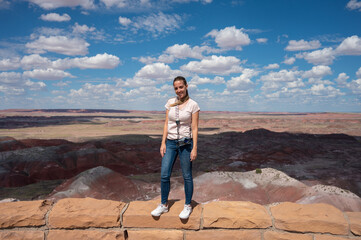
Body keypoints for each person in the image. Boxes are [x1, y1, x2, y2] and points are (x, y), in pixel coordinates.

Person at [151, 76, 200, 219]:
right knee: (164, 174)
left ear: (186, 86)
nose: (179, 90)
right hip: (171, 143)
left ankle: (187, 206)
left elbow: (195, 128)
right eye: (176, 88)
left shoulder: (193, 105)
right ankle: (164, 205)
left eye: (181, 87)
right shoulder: (170, 103)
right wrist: (162, 142)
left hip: (186, 144)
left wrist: (195, 147)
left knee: (187, 176)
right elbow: (166, 123)